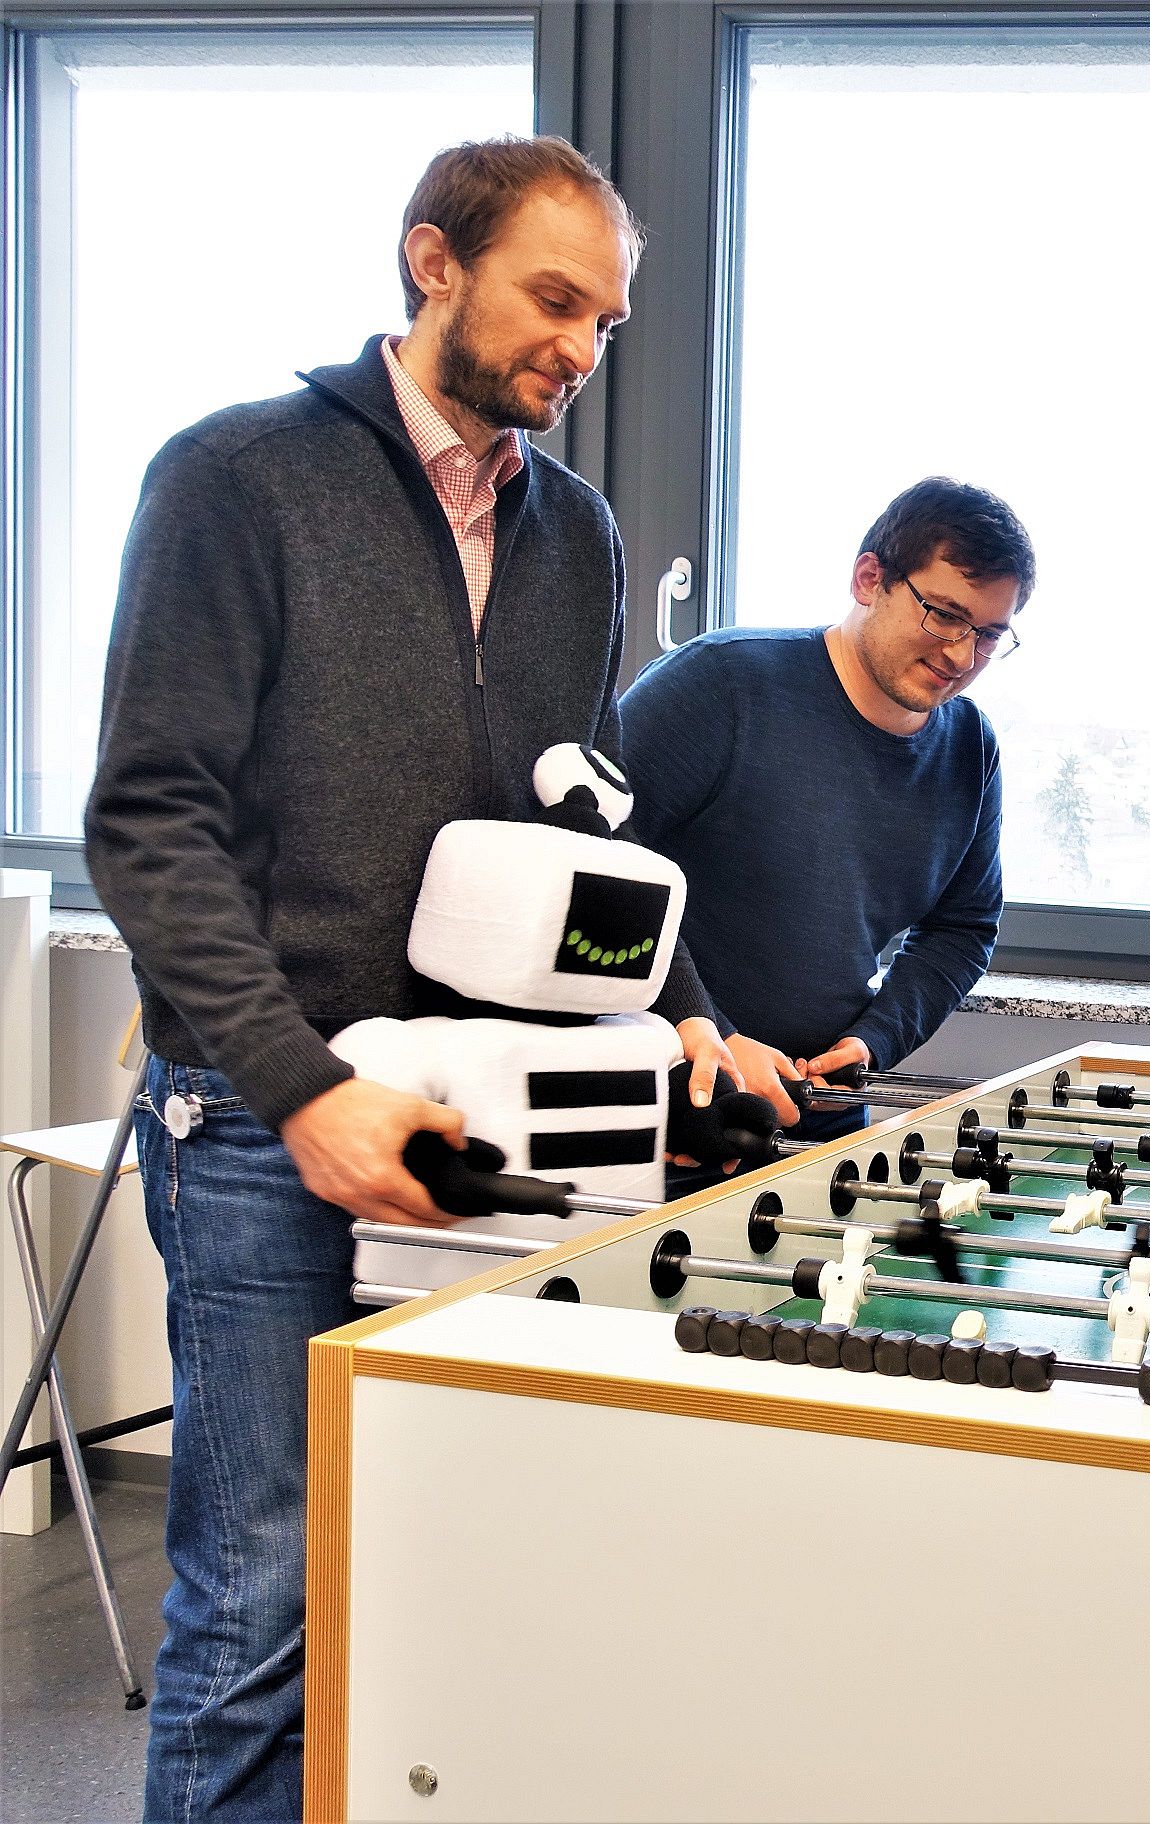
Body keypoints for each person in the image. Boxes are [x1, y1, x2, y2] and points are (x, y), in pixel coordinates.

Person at [85, 136, 737, 1819]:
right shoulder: (236, 477)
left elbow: (579, 812)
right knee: (264, 1599)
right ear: (432, 260)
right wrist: (303, 1088)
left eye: (606, 324)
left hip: (475, 1112)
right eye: (553, 300)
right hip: (263, 1116)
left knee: (450, 1576)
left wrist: (686, 1010)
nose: (580, 350)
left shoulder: (576, 532)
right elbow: (149, 821)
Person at [620, 477, 1025, 1139]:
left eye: (989, 635)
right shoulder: (719, 684)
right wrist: (710, 1029)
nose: (961, 654)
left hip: (824, 1118)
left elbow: (962, 929)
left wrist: (874, 1040)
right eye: (945, 615)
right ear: (869, 580)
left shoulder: (970, 748)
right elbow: (600, 855)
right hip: (671, 1100)